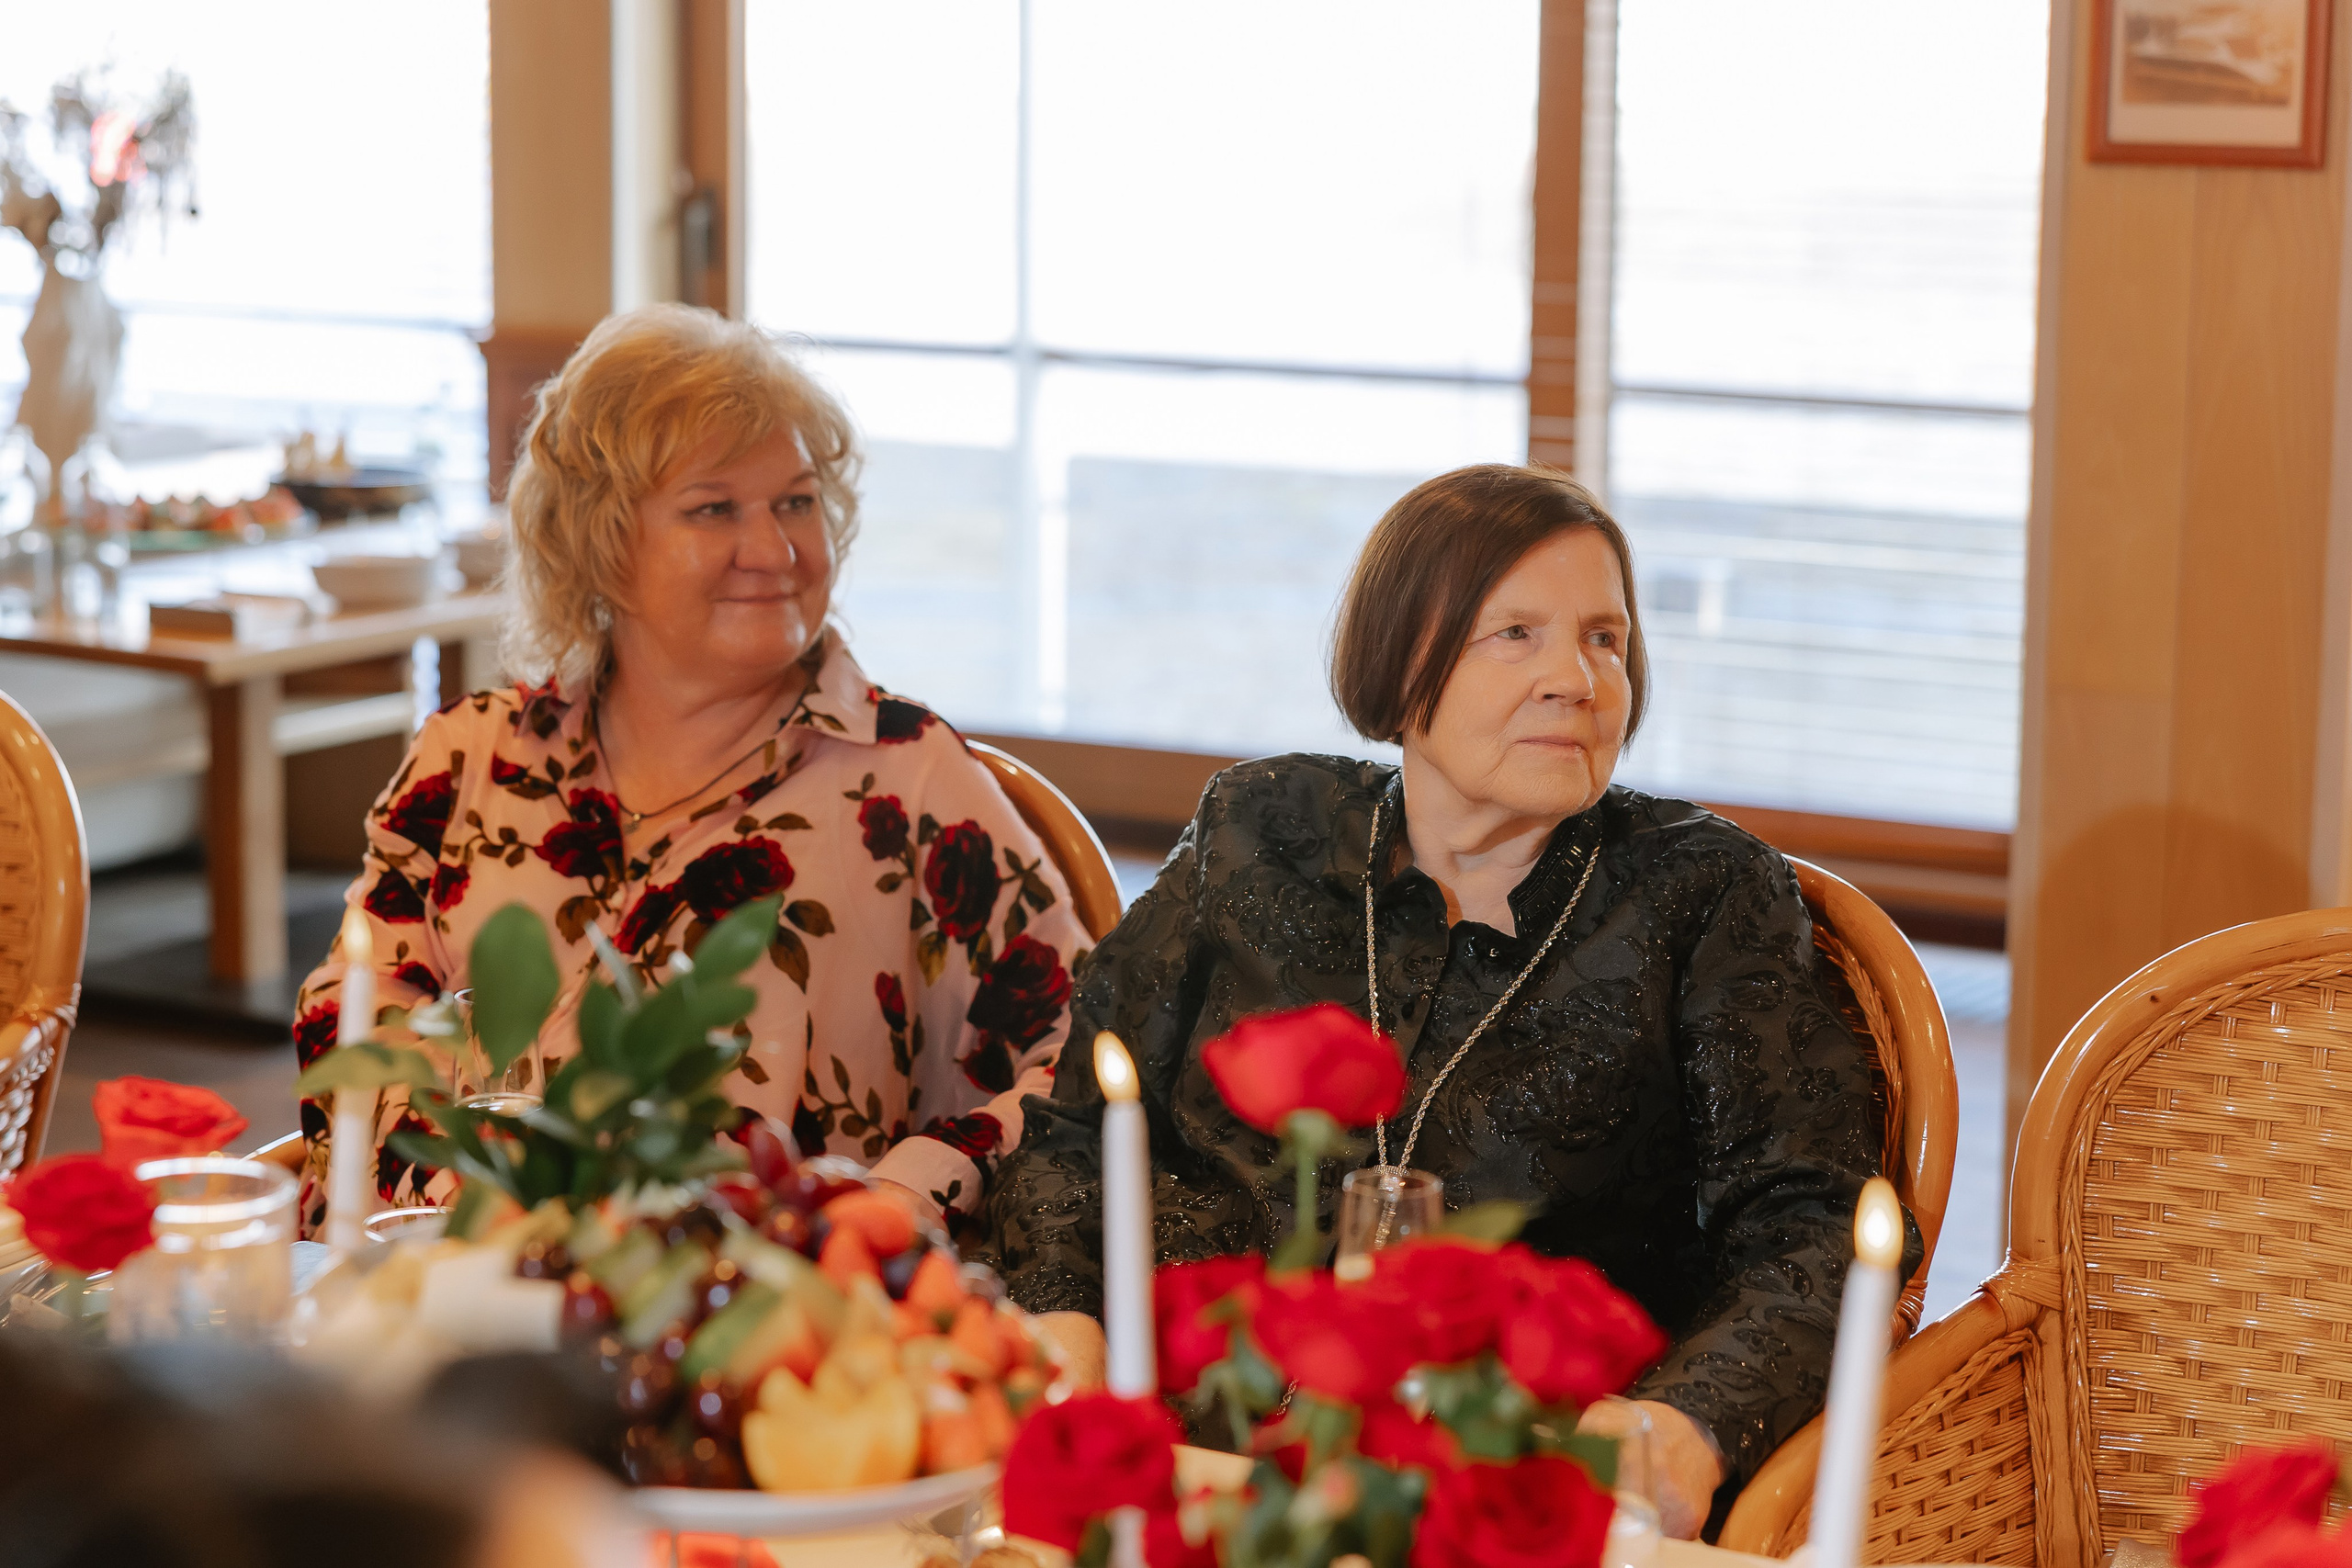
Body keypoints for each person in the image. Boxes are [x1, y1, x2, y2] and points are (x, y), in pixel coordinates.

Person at [984, 463, 1918, 1539]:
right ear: (1399, 657)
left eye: (1604, 638)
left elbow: (1810, 1222)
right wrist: (1063, 1320)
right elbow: (1078, 1123)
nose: (1576, 677)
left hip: (1485, 1497)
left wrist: (1685, 1423)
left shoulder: (1700, 893)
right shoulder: (1260, 828)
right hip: (1166, 1455)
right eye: (1514, 633)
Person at [291, 305, 1089, 1237]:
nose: (778, 550)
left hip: (747, 1322)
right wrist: (455, 1197)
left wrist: (907, 1189)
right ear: (600, 542)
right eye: (715, 508)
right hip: (432, 1289)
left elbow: (1075, 1058)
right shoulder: (465, 758)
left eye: (795, 501)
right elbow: (359, 1011)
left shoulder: (907, 782)